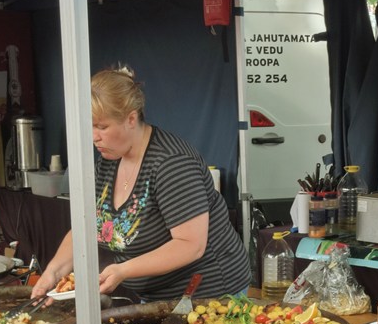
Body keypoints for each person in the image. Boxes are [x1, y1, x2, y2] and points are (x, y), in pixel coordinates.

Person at [32, 67, 251, 302]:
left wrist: (123, 270)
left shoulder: (171, 163)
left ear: (131, 119)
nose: (94, 136)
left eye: (102, 127)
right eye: (90, 126)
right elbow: (84, 229)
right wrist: (53, 273)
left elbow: (190, 245)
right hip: (156, 296)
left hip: (210, 293)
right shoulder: (109, 162)